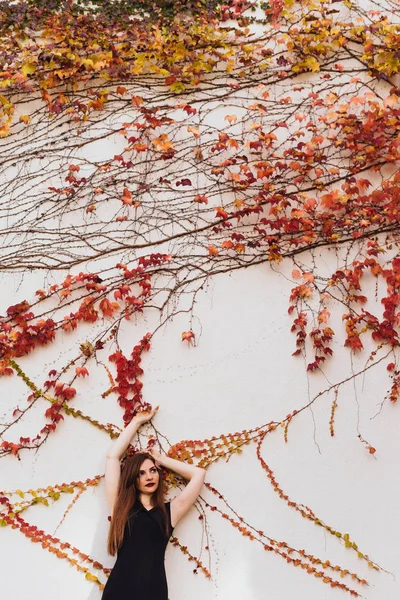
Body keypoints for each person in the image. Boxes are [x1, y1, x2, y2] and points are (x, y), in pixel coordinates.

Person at [102, 405, 206, 600]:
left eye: (152, 471)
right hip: (118, 592)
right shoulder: (121, 507)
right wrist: (137, 421)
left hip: (154, 592)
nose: (149, 477)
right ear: (133, 479)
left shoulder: (169, 512)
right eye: (141, 473)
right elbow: (112, 457)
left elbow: (198, 474)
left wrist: (160, 459)